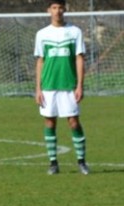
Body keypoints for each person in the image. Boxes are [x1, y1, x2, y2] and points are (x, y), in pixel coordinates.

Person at [34, 0, 89, 175]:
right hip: (48, 85)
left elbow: (79, 58)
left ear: (65, 9)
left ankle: (81, 162)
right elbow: (40, 61)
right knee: (50, 121)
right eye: (54, 8)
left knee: (74, 122)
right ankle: (53, 163)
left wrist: (80, 85)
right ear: (48, 10)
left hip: (69, 85)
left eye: (60, 8)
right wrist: (38, 88)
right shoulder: (42, 34)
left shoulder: (74, 32)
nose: (57, 11)